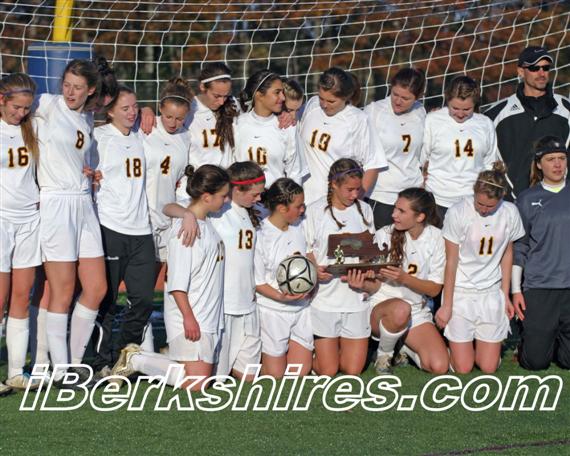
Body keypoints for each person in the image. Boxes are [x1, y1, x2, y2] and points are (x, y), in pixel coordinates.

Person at [111, 164, 230, 391]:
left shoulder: (203, 221)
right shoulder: (186, 233)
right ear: (206, 197)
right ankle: (135, 359)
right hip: (193, 316)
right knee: (196, 384)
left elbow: (170, 207)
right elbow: (176, 285)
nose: (226, 201)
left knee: (209, 379)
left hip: (209, 315)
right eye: (223, 196)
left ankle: (152, 357)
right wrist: (189, 318)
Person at [35, 59, 108, 386]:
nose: (70, 92)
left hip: (84, 203)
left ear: (90, 90)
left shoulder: (87, 117)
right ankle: (61, 369)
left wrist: (91, 171)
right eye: (66, 84)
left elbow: (80, 156)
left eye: (77, 87)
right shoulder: (48, 105)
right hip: (56, 204)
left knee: (97, 287)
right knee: (61, 291)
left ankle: (76, 364)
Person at [345, 188, 448, 374]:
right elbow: (375, 285)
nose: (394, 215)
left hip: (416, 311)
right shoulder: (384, 234)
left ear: (420, 217)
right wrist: (362, 284)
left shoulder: (436, 238)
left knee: (438, 366)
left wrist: (404, 278)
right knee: (401, 309)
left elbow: (434, 290)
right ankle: (384, 355)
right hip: (381, 309)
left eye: (401, 211)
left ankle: (402, 346)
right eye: (395, 208)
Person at [435, 162, 525, 374]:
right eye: (480, 203)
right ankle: (450, 350)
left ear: (501, 198)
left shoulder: (510, 212)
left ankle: (485, 350)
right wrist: (447, 305)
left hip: (490, 293)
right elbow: (451, 262)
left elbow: (507, 254)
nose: (483, 210)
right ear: (474, 192)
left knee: (488, 367)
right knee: (463, 368)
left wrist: (504, 295)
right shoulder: (458, 211)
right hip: (461, 292)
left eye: (490, 206)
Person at [91, 86, 155, 377]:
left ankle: (124, 357)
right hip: (110, 226)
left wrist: (148, 111)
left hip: (142, 230)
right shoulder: (99, 137)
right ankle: (99, 362)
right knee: (106, 300)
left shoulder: (142, 134)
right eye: (125, 108)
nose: (132, 113)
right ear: (110, 111)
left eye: (135, 107)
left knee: (143, 300)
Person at [305, 158, 374, 376]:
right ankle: (310, 357)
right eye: (349, 190)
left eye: (358, 189)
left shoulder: (365, 210)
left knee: (353, 370)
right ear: (334, 184)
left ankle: (333, 352)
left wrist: (365, 270)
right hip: (325, 299)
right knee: (328, 371)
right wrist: (315, 269)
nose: (354, 195)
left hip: (355, 298)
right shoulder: (314, 211)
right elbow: (307, 249)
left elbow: (369, 251)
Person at [513, 136, 570, 370]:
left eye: (561, 158)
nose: (557, 164)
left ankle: (557, 339)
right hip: (540, 286)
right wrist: (516, 290)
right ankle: (537, 339)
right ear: (538, 164)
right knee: (535, 362)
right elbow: (520, 247)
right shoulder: (527, 199)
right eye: (550, 159)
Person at [0, 73, 42, 393]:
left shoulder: (34, 127)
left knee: (21, 296)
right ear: (2, 100)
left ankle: (16, 371)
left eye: (26, 108)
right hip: (1, 219)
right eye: (16, 107)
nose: (21, 113)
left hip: (31, 219)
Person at [485, 46, 570, 199]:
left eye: (545, 68)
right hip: (511, 203)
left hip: (558, 202)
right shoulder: (496, 114)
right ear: (520, 71)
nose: (541, 73)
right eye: (534, 68)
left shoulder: (566, 110)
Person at [298, 67, 387, 206]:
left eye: (331, 101)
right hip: (303, 200)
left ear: (346, 97)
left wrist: (354, 201)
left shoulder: (358, 120)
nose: (324, 105)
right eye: (321, 98)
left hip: (334, 203)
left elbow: (373, 165)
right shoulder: (312, 104)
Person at [255, 178, 313, 378]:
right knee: (276, 376)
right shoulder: (261, 235)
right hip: (272, 311)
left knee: (299, 373)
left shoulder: (300, 227)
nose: (303, 210)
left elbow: (310, 259)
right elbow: (258, 283)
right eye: (298, 206)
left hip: (302, 309)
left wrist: (314, 277)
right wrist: (281, 297)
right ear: (281, 208)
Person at [212, 161, 265, 381]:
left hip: (248, 304)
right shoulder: (218, 212)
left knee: (250, 376)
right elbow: (176, 207)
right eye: (254, 194)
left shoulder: (249, 212)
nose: (259, 199)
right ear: (237, 189)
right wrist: (186, 215)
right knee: (214, 378)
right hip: (225, 305)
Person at [421, 75, 498, 217]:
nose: (461, 114)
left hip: (471, 202)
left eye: (467, 109)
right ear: (447, 100)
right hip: (437, 200)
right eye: (455, 108)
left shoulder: (485, 123)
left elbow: (490, 163)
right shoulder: (433, 120)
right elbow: (421, 159)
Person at [365, 68, 427, 228]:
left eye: (405, 98)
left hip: (412, 197)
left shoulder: (420, 112)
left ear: (418, 97)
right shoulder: (374, 111)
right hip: (381, 196)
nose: (398, 101)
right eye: (395, 94)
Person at [144, 77, 192, 271]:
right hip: (142, 216)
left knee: (161, 274)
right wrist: (143, 109)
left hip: (167, 217)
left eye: (179, 118)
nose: (173, 123)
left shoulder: (186, 137)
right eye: (169, 116)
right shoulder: (146, 127)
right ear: (160, 109)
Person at [235, 70, 306, 188]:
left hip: (276, 197)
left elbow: (295, 173)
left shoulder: (287, 127)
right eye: (277, 92)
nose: (283, 97)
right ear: (259, 95)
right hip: (244, 197)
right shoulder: (237, 124)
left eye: (282, 92)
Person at [186, 62, 237, 169]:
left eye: (225, 96)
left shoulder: (233, 105)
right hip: (200, 177)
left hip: (228, 177)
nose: (222, 102)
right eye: (216, 96)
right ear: (202, 87)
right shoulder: (188, 111)